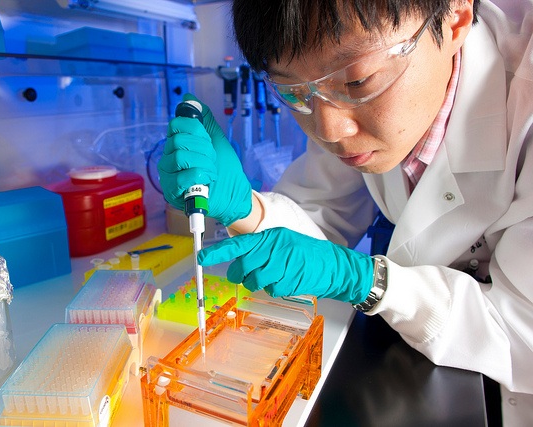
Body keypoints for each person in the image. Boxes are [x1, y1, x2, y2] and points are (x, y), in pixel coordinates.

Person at [158, 0, 533, 425]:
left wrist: (371, 283)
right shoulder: (332, 107)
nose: (328, 131)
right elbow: (320, 218)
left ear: (455, 18)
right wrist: (247, 207)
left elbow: (524, 333)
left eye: (358, 80)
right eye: (294, 92)